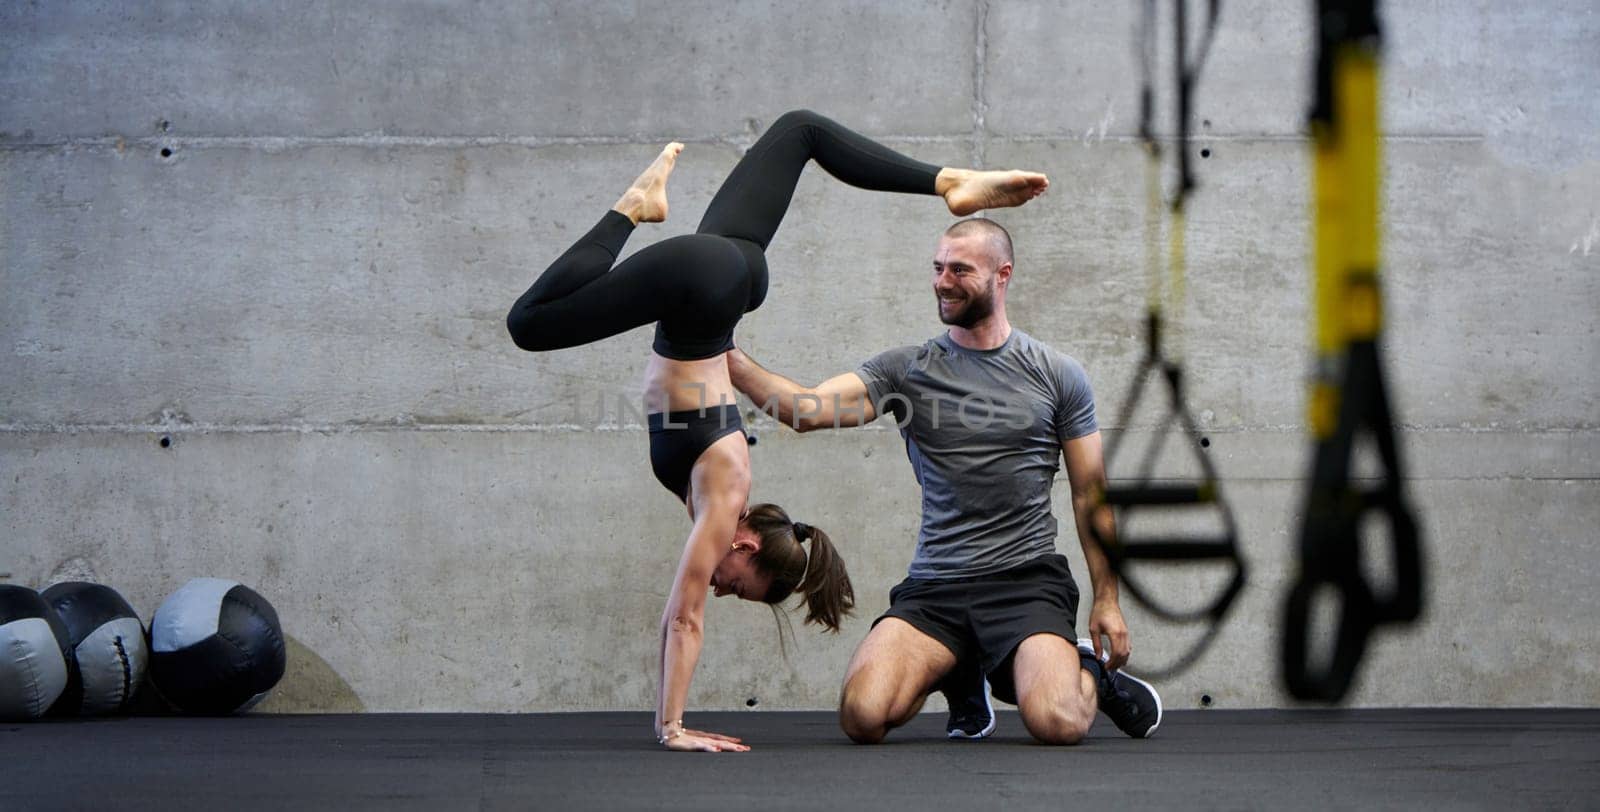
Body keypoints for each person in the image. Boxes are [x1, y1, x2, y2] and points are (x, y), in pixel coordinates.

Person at [505, 110, 1051, 751]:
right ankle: (634, 205)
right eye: (739, 585)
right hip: (704, 284)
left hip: (729, 284)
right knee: (530, 325)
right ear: (748, 547)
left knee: (799, 133)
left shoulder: (717, 486)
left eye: (730, 594)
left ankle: (951, 181)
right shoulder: (725, 492)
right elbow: (684, 618)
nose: (722, 585)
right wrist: (671, 726)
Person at [726, 217, 1163, 745]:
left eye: (960, 269)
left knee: (1058, 722)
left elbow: (1091, 493)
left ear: (1003, 275)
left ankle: (1088, 667)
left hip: (1025, 582)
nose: (942, 281)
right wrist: (725, 355)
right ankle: (961, 674)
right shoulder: (906, 372)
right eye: (938, 268)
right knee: (862, 716)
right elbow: (805, 410)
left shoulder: (1056, 374)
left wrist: (1107, 599)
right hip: (937, 585)